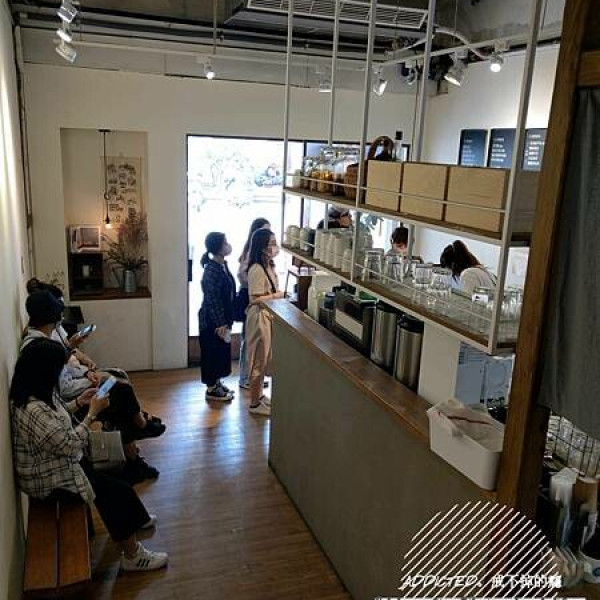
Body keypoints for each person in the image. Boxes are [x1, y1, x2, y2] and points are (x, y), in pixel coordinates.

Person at [10, 338, 168, 572]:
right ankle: (133, 556)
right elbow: (70, 444)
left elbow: (58, 422)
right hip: (48, 481)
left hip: (57, 465)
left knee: (116, 485)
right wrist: (92, 413)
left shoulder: (35, 393)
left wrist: (79, 402)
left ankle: (137, 521)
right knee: (115, 492)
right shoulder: (33, 408)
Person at [21, 291, 164, 482]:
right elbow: (63, 387)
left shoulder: (39, 341)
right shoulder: (40, 348)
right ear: (52, 318)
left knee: (119, 390)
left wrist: (84, 368)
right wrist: (90, 388)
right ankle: (141, 426)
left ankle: (136, 448)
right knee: (121, 392)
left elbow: (63, 369)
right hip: (67, 402)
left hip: (69, 400)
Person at [245, 229, 285, 416]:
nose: (275, 247)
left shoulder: (268, 265)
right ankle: (254, 403)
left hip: (267, 316)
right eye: (272, 244)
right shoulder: (256, 269)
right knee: (258, 360)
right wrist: (278, 295)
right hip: (259, 317)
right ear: (262, 247)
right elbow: (255, 298)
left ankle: (260, 396)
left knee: (265, 358)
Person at [199, 232, 236, 402]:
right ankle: (211, 388)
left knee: (220, 353)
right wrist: (220, 323)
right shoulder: (211, 270)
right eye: (225, 242)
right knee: (212, 354)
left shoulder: (221, 265)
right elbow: (212, 299)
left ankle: (217, 383)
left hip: (222, 318)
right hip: (212, 321)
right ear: (218, 247)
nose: (228, 245)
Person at [237, 218, 271, 390]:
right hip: (248, 298)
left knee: (253, 341)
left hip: (251, 297)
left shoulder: (257, 255)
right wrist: (255, 284)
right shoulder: (251, 255)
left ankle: (253, 377)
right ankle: (246, 377)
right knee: (249, 340)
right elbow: (242, 275)